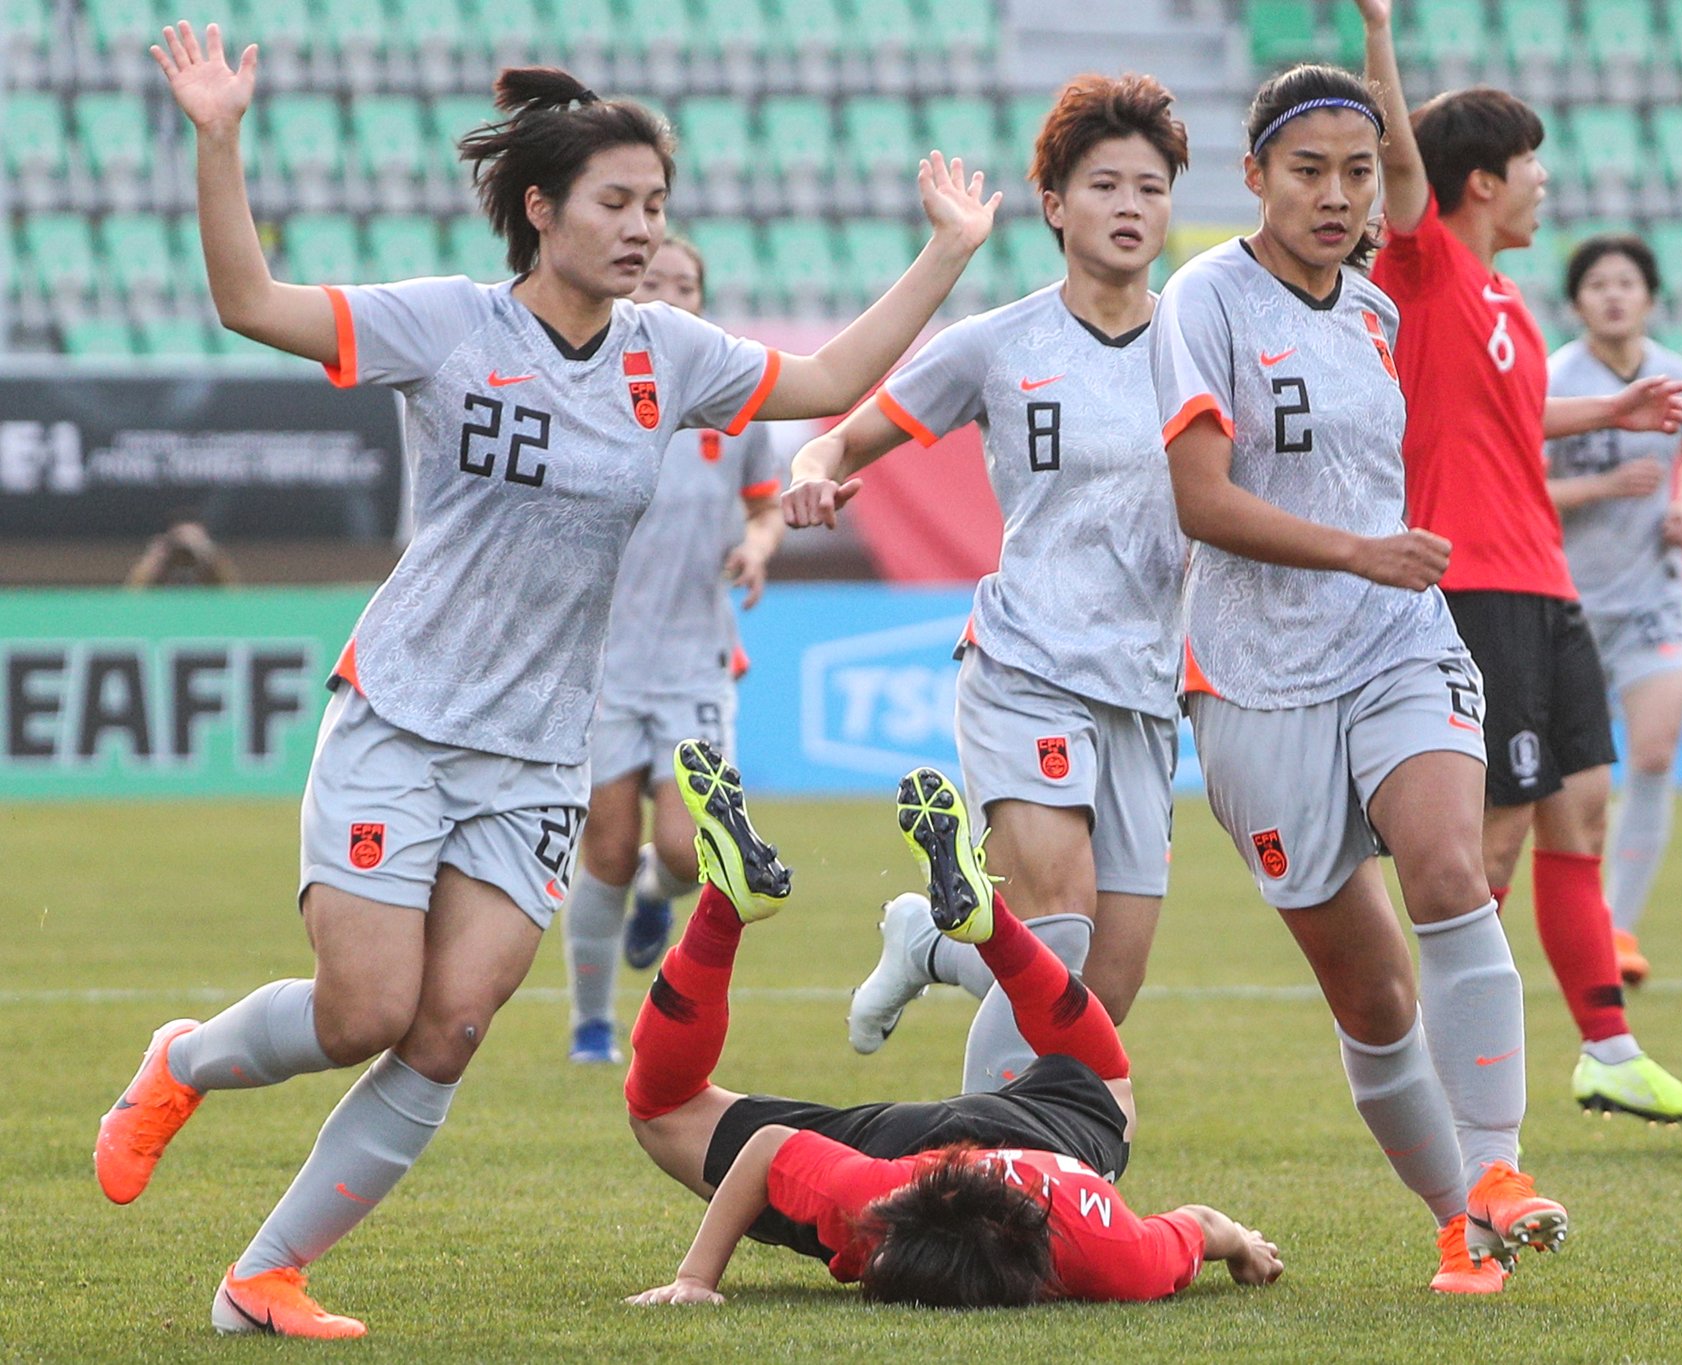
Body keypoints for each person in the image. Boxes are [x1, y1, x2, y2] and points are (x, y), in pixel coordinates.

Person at [94, 23, 997, 1338]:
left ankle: (262, 1279)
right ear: (539, 208)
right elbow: (250, 303)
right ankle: (181, 1060)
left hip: (535, 752)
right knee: (364, 1010)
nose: (642, 229)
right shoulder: (447, 326)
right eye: (616, 203)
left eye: (656, 206)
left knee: (450, 1029)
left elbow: (826, 380)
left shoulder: (666, 352)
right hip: (404, 714)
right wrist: (218, 139)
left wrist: (946, 252)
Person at [1154, 51, 1565, 1293]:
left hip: (1396, 637)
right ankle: (1456, 1222)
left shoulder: (1375, 309)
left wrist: (1377, 566)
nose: (1336, 196)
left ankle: (1496, 1170)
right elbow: (1198, 500)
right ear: (1253, 177)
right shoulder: (1203, 300)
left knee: (1448, 870)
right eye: (1306, 171)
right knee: (1370, 994)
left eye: (1356, 172)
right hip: (1251, 676)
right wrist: (1354, 550)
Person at [783, 74, 1189, 1093]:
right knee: (1058, 933)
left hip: (1145, 688)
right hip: (1026, 665)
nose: (1130, 206)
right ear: (1053, 205)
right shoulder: (998, 343)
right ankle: (977, 1164)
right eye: (1105, 185)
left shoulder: (1202, 349)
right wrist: (812, 474)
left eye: (1150, 187)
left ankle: (928, 943)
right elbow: (839, 439)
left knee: (1100, 992)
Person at [1361, 0, 1682, 1123]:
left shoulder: (1506, 302)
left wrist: (1610, 408)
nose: (1543, 183)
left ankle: (1607, 1050)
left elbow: (1508, 425)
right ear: (1481, 183)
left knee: (1581, 814)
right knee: (1493, 835)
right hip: (1476, 585)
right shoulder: (1424, 264)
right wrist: (1378, 33)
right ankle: (1437, 1062)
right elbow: (1397, 156)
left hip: (1543, 584)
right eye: (1530, 165)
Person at [624, 743, 1283, 1308]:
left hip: (1004, 1144)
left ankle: (980, 923)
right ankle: (978, 925)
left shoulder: (1100, 1244)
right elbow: (769, 1149)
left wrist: (1239, 1242)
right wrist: (694, 1280)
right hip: (934, 1154)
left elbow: (1202, 1224)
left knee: (1108, 1083)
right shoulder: (1102, 1249)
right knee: (666, 1111)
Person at [562, 233, 786, 1066]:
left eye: (684, 284)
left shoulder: (731, 406)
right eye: (652, 281)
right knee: (608, 851)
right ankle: (591, 1023)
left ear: (701, 300)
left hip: (695, 656)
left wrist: (757, 547)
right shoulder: (587, 393)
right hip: (601, 662)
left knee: (689, 853)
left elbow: (764, 506)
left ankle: (660, 895)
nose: (667, 295)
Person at [1543, 234, 1682, 987]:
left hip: (1655, 598)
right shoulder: (1555, 381)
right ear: (1577, 302)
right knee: (1568, 784)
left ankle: (1617, 930)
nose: (1613, 295)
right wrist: (1599, 488)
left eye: (1626, 282)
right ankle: (1576, 922)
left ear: (1649, 296)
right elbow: (1519, 487)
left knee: (1652, 755)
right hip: (1568, 604)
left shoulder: (1681, 377)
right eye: (1597, 284)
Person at [125, 512, 241, 586]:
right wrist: (155, 559)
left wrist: (211, 557)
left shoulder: (213, 569)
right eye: (178, 536)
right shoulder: (159, 566)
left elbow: (234, 597)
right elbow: (132, 599)